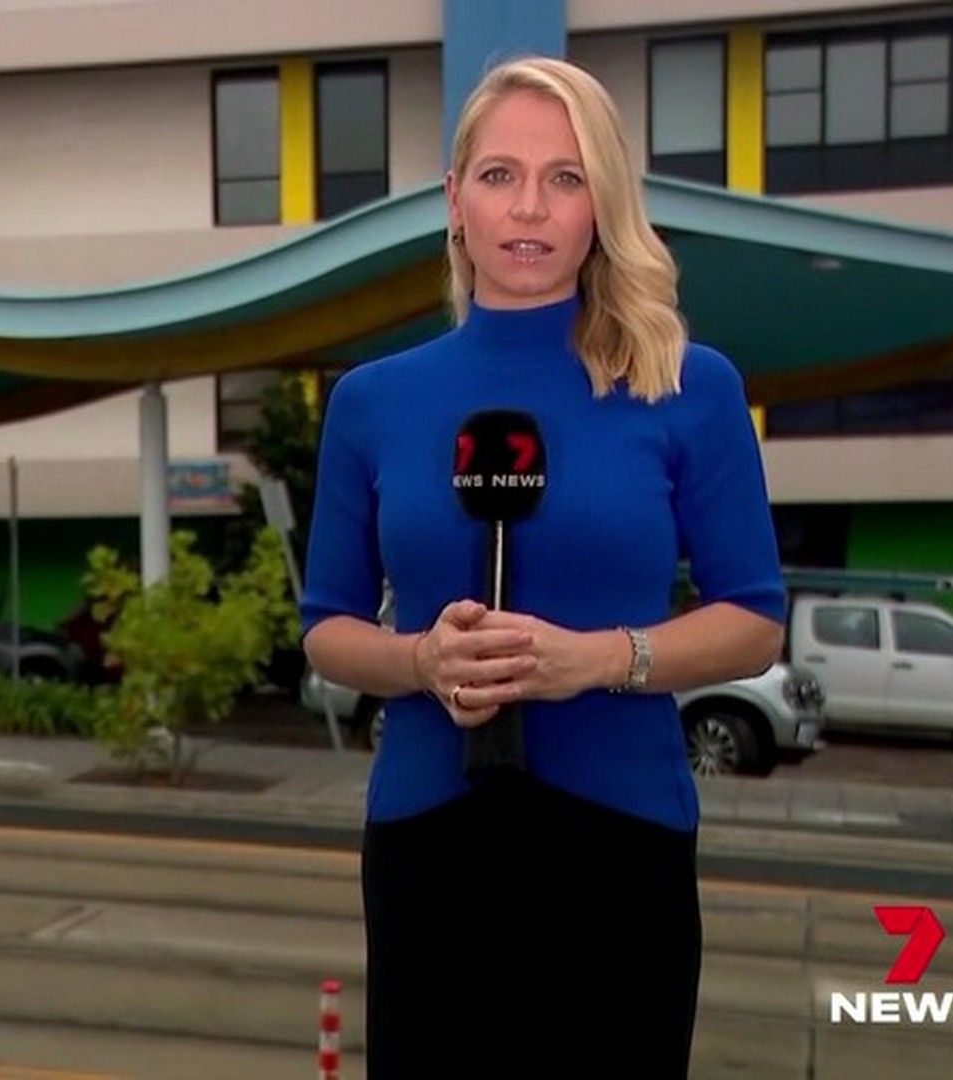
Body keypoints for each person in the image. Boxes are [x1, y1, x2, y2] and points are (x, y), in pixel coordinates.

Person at [300, 57, 785, 1075]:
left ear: (602, 203)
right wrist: (422, 661)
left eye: (565, 178)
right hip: (430, 841)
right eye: (500, 175)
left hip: (622, 845)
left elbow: (753, 620)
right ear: (455, 199)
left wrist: (599, 659)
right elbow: (327, 627)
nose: (530, 207)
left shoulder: (688, 387)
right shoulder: (372, 401)